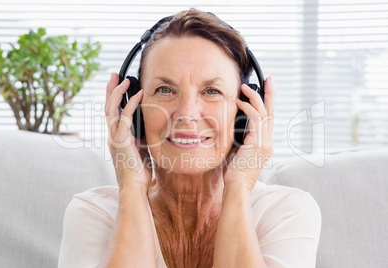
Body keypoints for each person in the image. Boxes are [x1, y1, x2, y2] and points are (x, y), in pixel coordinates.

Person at [58, 9, 321, 268]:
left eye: (211, 91)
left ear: (244, 114)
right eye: (164, 89)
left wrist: (239, 186)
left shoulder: (288, 213)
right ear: (134, 110)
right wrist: (131, 188)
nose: (186, 114)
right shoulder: (92, 214)